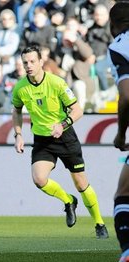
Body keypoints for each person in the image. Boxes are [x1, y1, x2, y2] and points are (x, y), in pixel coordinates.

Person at [11, 45, 108, 239]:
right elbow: (17, 110)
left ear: (40, 62)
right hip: (42, 140)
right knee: (39, 179)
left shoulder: (56, 83)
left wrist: (63, 125)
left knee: (81, 183)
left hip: (64, 137)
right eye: (25, 63)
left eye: (32, 61)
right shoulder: (20, 87)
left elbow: (77, 110)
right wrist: (18, 134)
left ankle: (99, 223)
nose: (28, 66)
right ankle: (68, 201)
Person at [108, 2, 129, 261]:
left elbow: (126, 97)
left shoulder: (119, 45)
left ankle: (127, 252)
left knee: (124, 193)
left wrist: (121, 133)